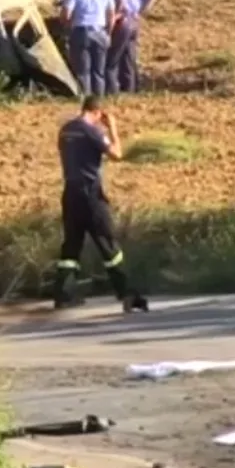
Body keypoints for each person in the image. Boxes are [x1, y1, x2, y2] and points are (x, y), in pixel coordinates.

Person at [52, 95, 148, 313]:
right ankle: (127, 294)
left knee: (71, 245)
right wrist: (112, 128)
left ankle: (63, 295)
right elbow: (117, 154)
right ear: (97, 112)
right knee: (108, 243)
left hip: (70, 193)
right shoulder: (91, 130)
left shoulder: (65, 130)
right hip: (91, 195)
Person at [61, 0, 117, 96]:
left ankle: (85, 99)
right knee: (99, 71)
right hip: (100, 31)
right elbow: (111, 13)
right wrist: (108, 33)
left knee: (83, 72)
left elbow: (66, 12)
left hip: (81, 30)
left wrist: (67, 27)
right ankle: (99, 99)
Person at [103, 0, 157, 95]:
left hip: (122, 21)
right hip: (133, 21)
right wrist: (138, 12)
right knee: (129, 58)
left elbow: (120, 0)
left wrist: (115, 15)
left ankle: (113, 92)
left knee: (112, 60)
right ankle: (131, 90)